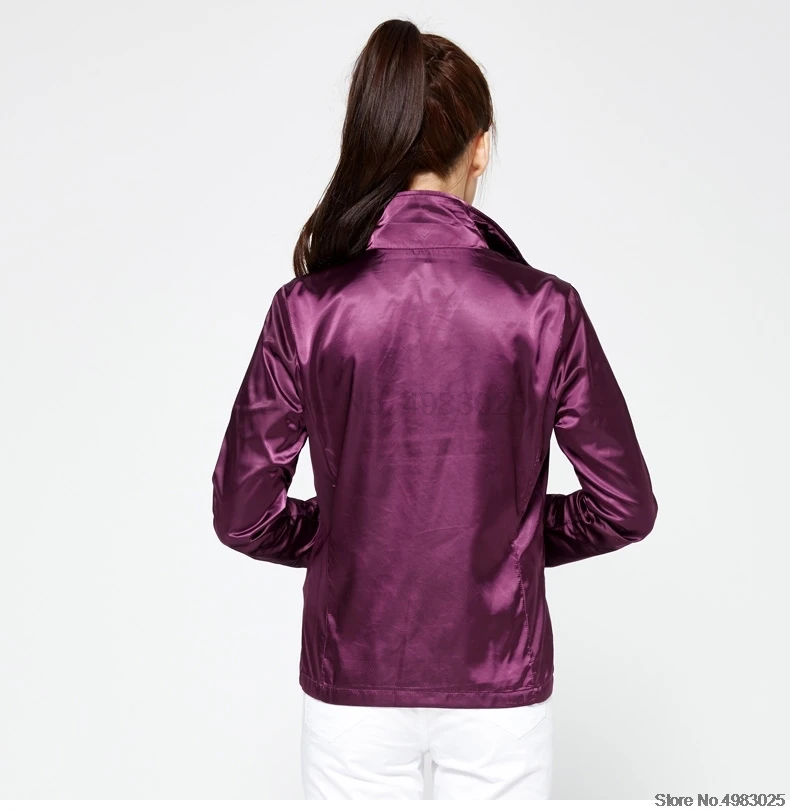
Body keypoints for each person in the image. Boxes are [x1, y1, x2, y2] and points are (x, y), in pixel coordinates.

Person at [211, 17, 658, 801]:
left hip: (353, 680)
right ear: (479, 148)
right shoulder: (543, 309)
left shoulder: (308, 310)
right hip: (498, 683)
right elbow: (626, 506)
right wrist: (505, 542)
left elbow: (243, 513)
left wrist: (348, 536)